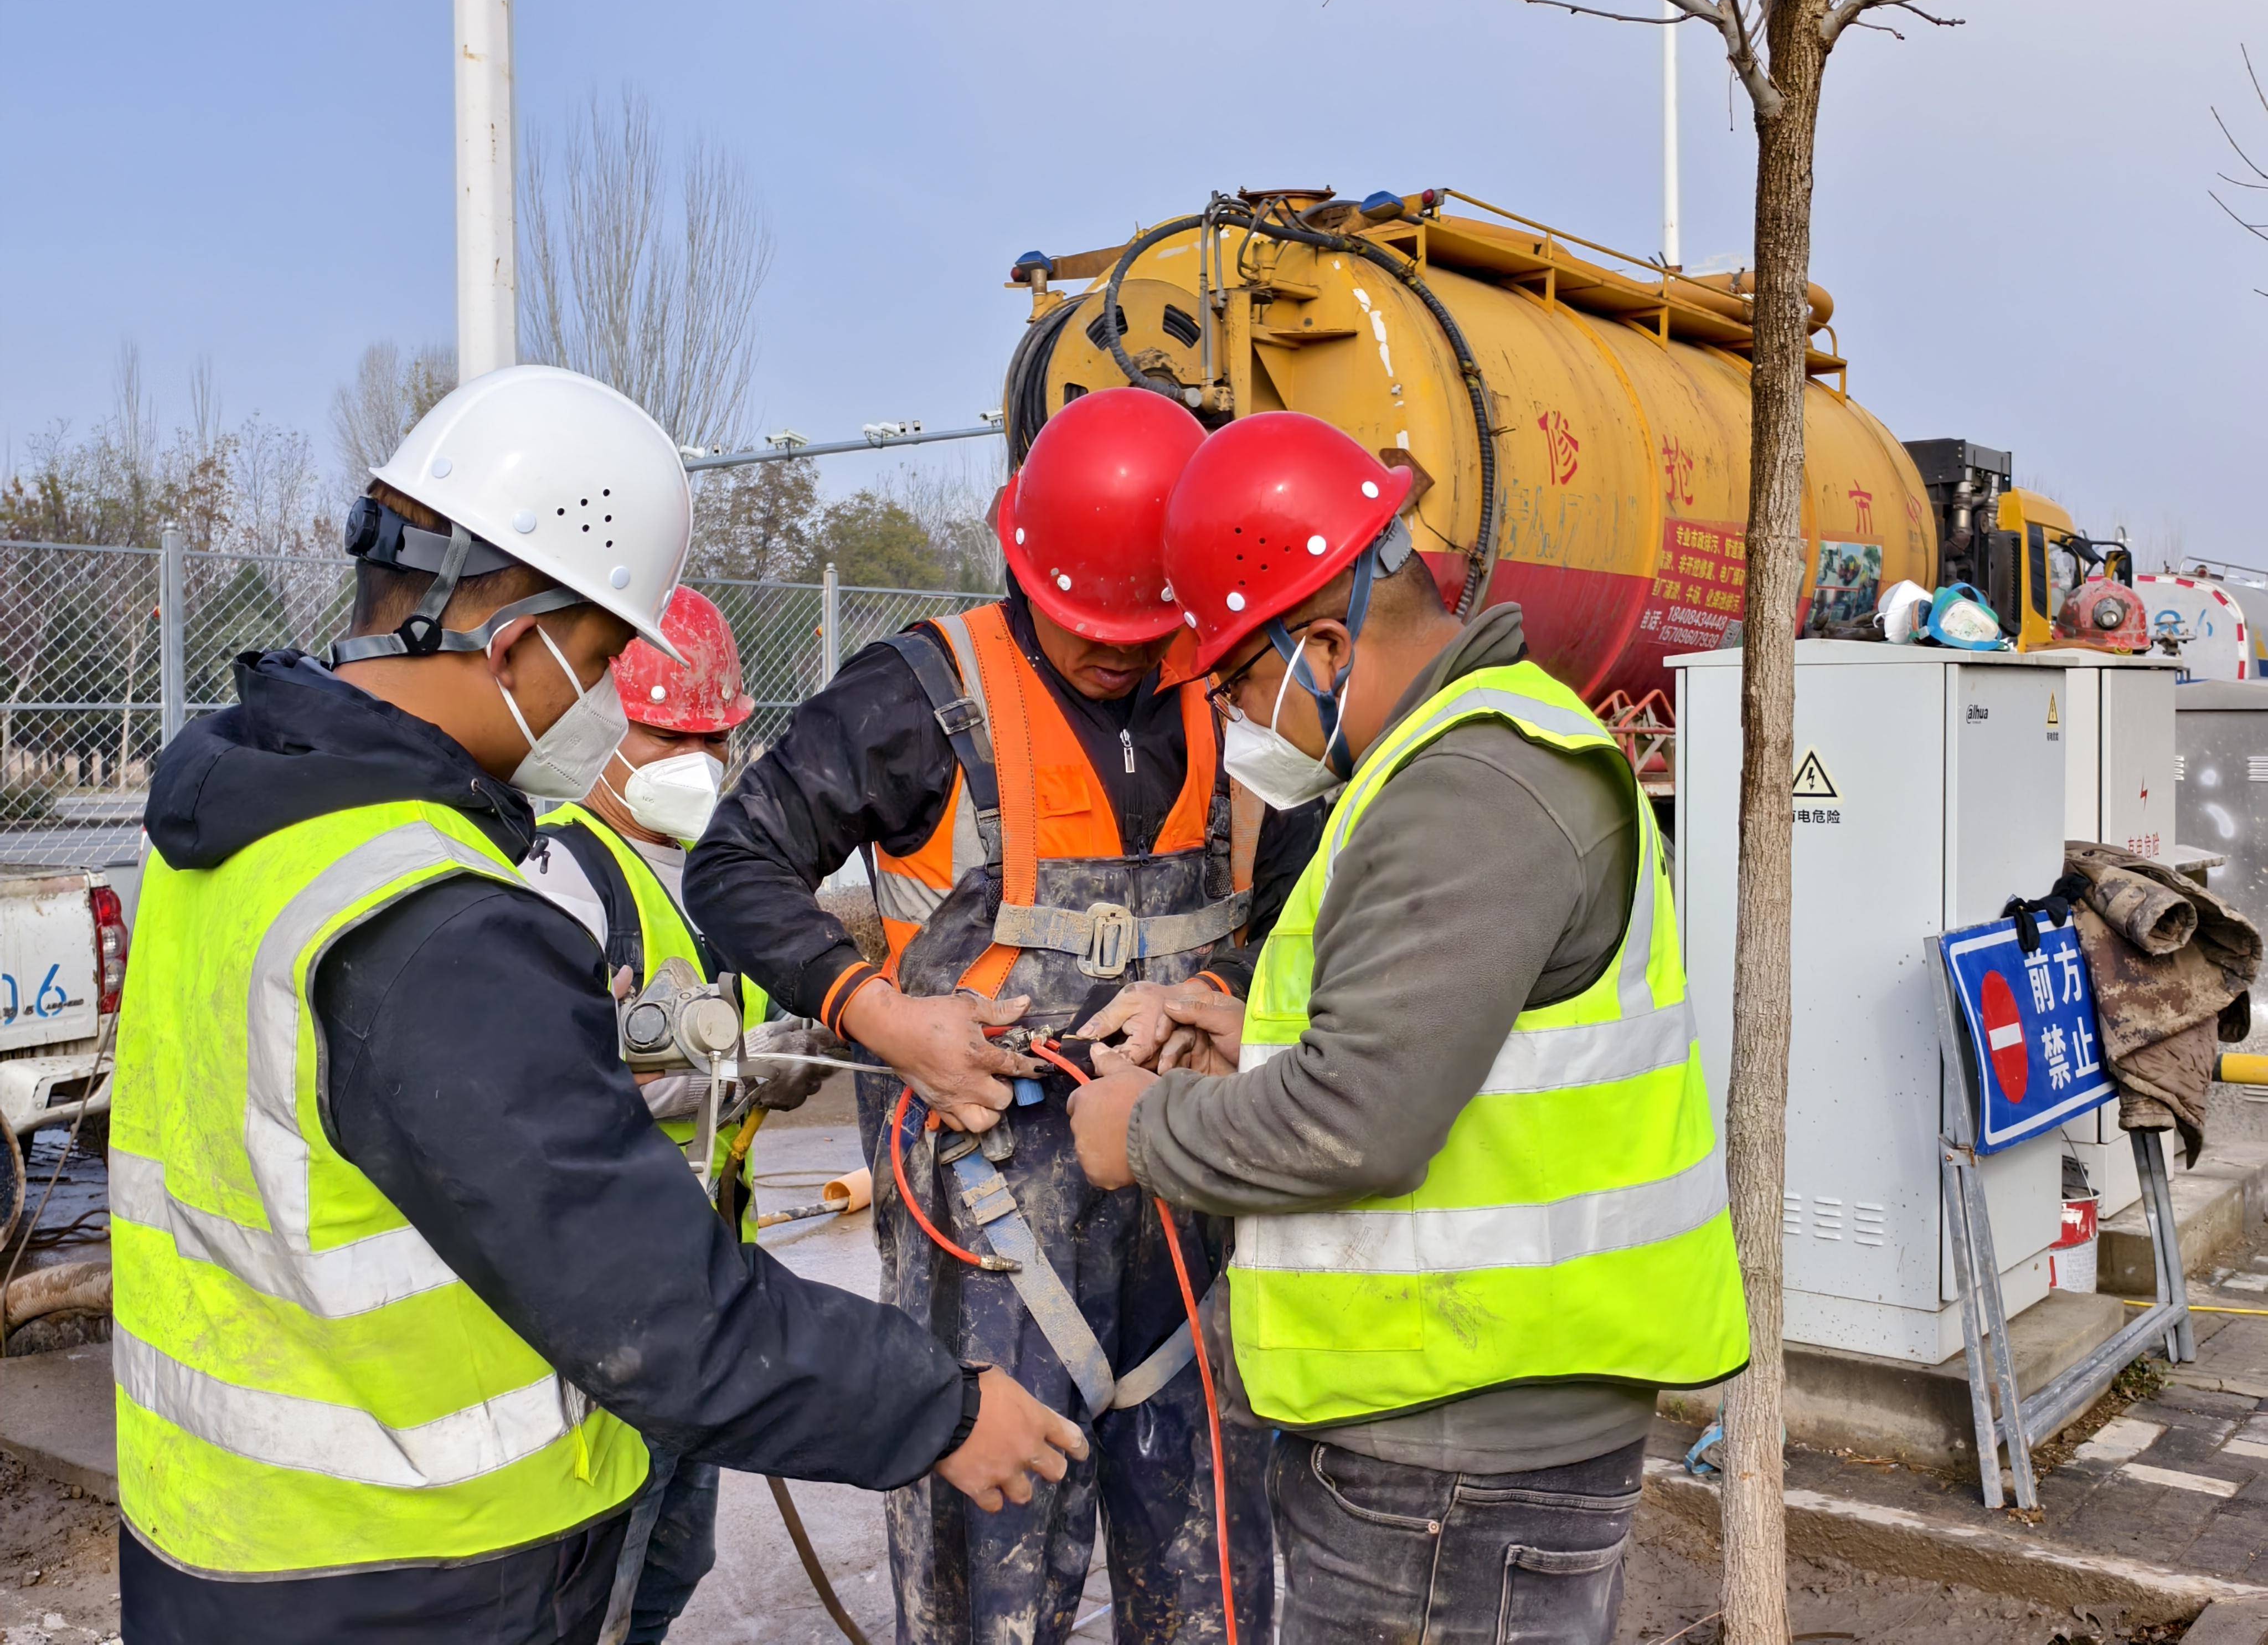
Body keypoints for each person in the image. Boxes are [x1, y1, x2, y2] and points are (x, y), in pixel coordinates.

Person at [107, 364, 1085, 1645]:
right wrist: (940, 1409)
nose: (602, 705)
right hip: (417, 1575)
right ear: (513, 644)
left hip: (219, 1544)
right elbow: (651, 1307)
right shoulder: (432, 922)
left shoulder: (245, 829)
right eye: (601, 659)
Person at [1064, 411, 1750, 1645]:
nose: (1233, 723)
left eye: (1234, 682)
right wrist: (1241, 1043)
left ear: (1322, 645)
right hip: (1459, 1440)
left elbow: (1359, 1124)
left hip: (1453, 1468)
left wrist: (1145, 1130)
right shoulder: (1464, 759)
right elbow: (1446, 1063)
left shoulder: (1464, 786)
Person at [685, 387, 1318, 1645]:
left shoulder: (1232, 702)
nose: (1114, 654)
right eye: (1085, 626)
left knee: (1208, 1579)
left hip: (1181, 1198)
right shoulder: (920, 696)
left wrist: (1229, 998)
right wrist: (882, 1016)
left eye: (1144, 632)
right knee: (991, 1579)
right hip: (984, 1210)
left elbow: (1313, 899)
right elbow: (733, 866)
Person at [518, 580, 844, 1644]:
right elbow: (542, 1092)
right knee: (605, 1560)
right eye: (667, 733)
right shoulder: (566, 877)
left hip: (699, 1282)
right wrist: (737, 1077)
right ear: (604, 730)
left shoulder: (709, 880)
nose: (695, 763)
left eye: (716, 737)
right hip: (610, 1294)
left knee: (674, 1551)